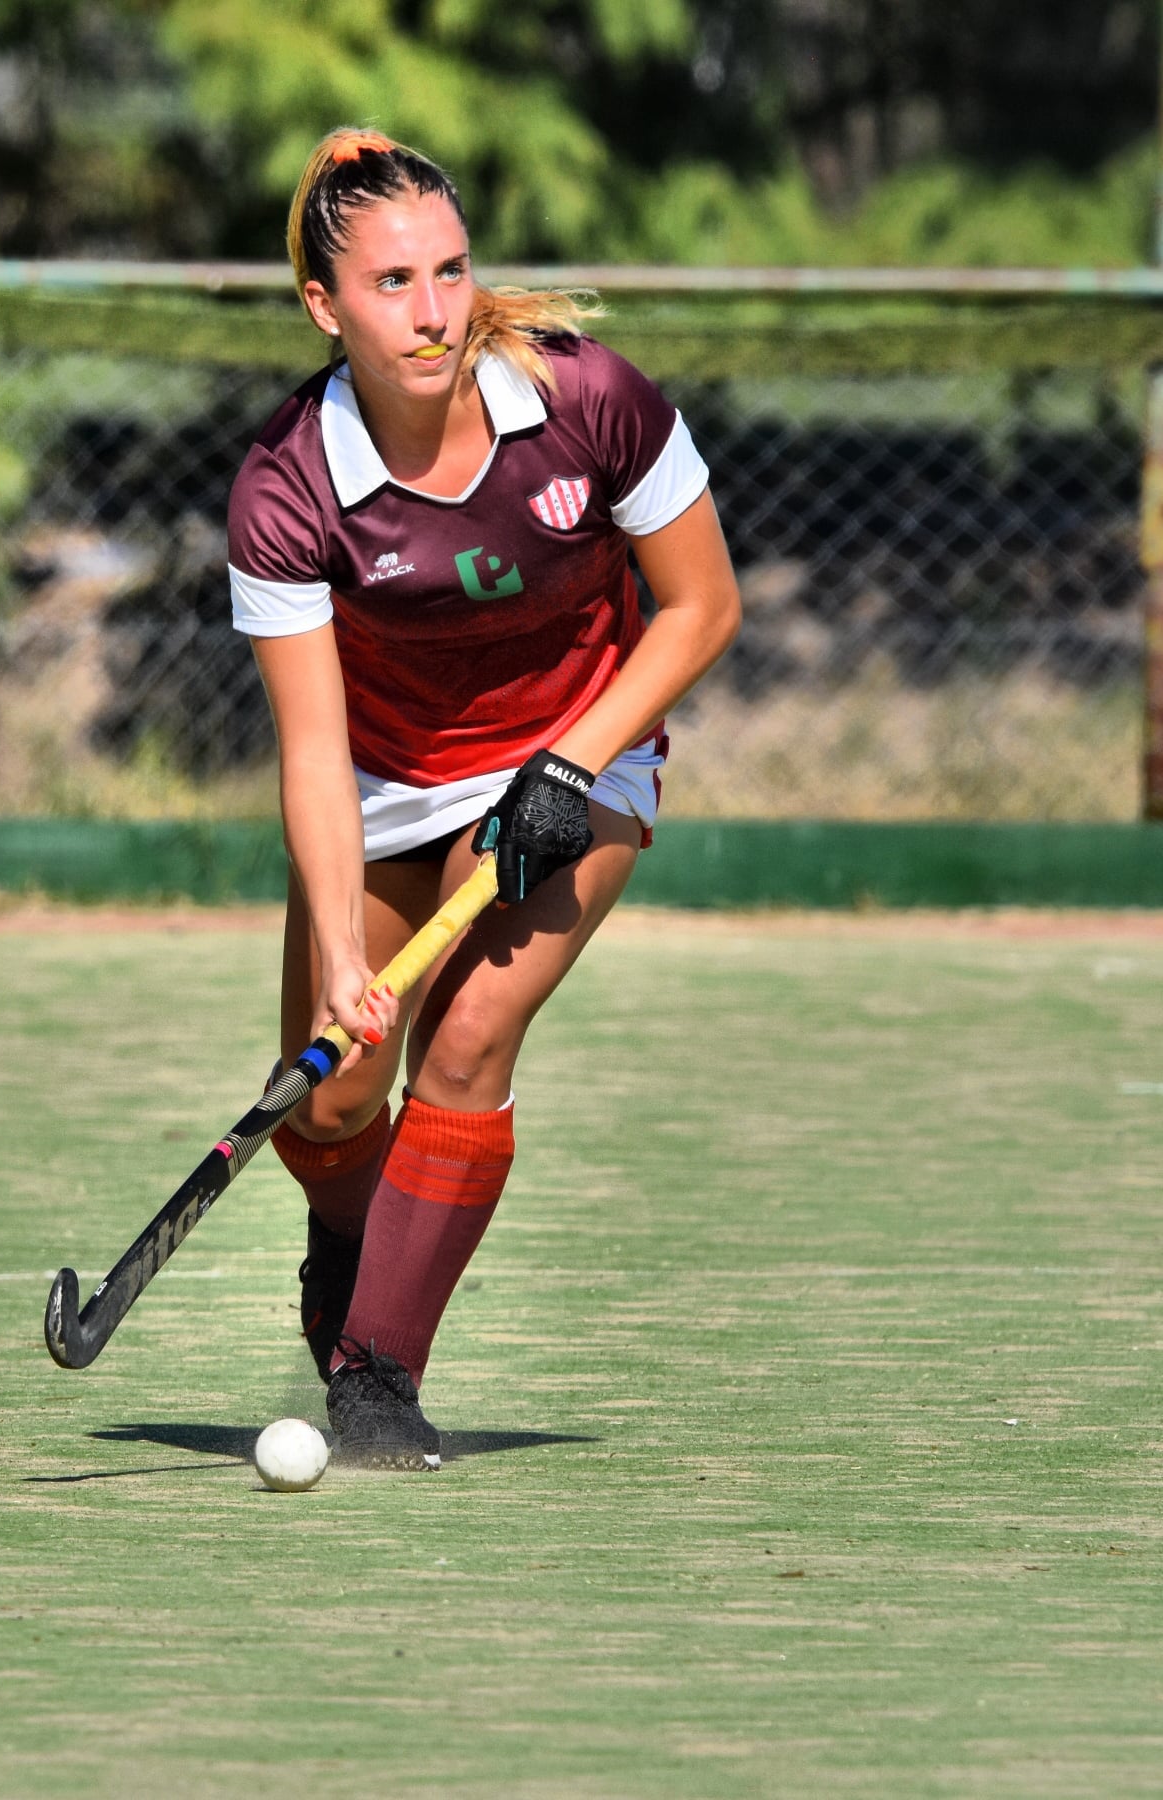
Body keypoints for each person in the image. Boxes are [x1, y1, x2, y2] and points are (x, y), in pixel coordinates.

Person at [227, 129, 742, 1469]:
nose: (435, 310)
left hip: (586, 739)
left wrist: (573, 765)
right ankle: (346, 1240)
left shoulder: (587, 402)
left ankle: (377, 1371)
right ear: (323, 307)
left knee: (472, 1038)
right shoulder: (287, 489)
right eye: (393, 282)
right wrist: (344, 949)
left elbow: (701, 607)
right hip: (385, 780)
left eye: (451, 270)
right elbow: (309, 744)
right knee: (335, 1107)